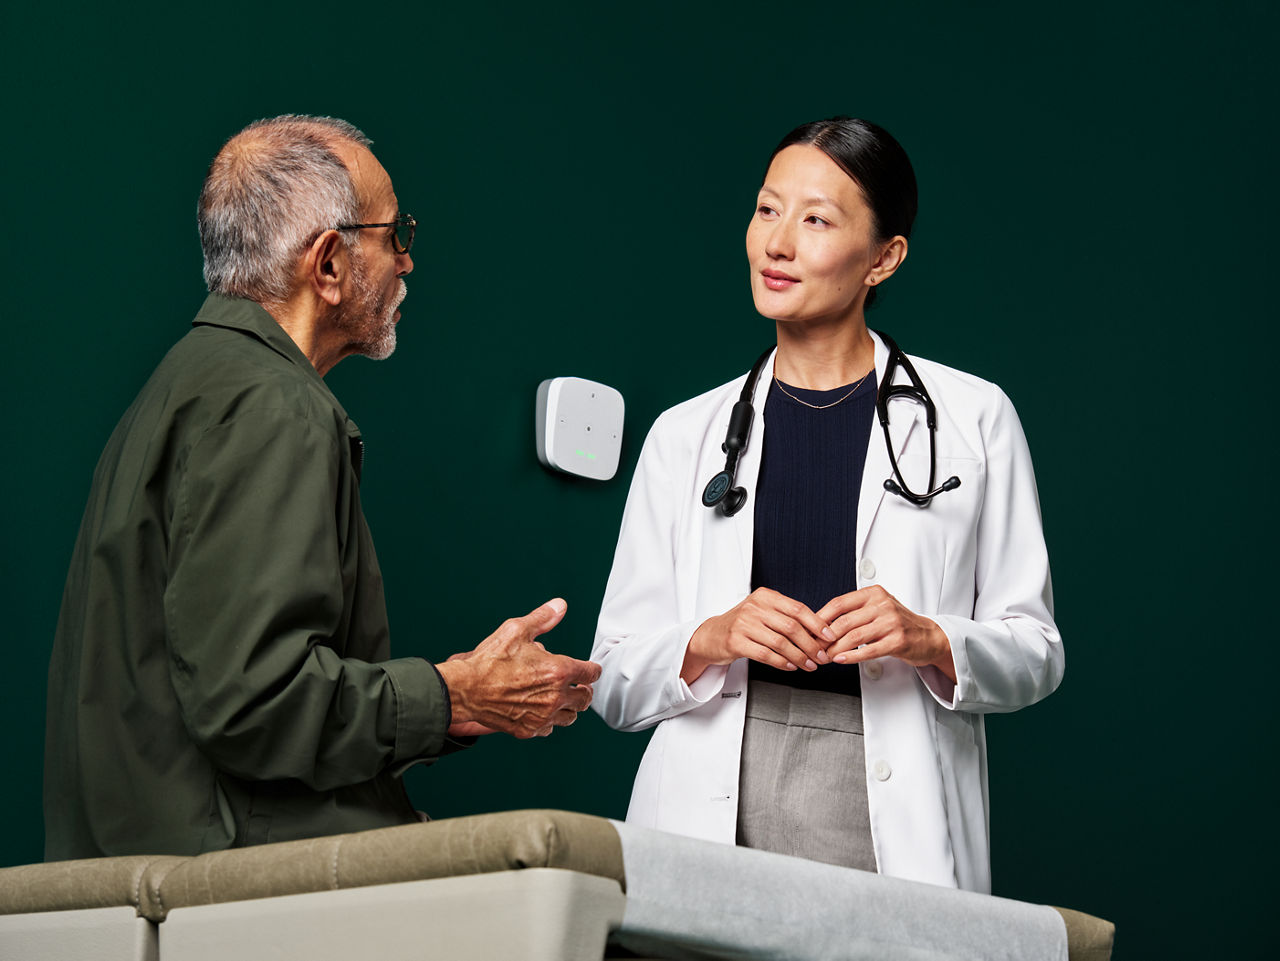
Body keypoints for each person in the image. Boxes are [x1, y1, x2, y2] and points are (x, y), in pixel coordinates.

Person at [43, 115, 601, 861]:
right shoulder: (274, 403)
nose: (408, 261)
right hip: (230, 905)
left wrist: (459, 705)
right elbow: (255, 703)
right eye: (393, 233)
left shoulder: (183, 387)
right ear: (329, 264)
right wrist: (452, 692)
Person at [590, 117, 1063, 894]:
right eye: (767, 209)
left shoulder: (974, 418)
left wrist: (929, 635)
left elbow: (1037, 651)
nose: (777, 243)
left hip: (882, 803)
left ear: (884, 257)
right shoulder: (685, 435)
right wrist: (712, 636)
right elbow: (611, 677)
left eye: (815, 220)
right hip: (711, 796)